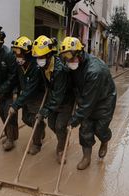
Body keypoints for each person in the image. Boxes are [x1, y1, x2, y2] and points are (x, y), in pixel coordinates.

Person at [59, 37, 117, 170]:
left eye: (70, 58)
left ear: (79, 54)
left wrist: (73, 120)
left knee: (100, 129)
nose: (68, 61)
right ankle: (86, 157)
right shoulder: (74, 64)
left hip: (104, 100)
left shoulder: (94, 71)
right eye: (65, 58)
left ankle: (105, 140)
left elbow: (88, 104)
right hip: (86, 97)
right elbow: (73, 84)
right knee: (85, 129)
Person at [32, 35, 75, 163]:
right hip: (53, 99)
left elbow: (58, 97)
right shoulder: (43, 67)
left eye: (41, 57)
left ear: (49, 55)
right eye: (37, 57)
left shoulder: (60, 70)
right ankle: (64, 139)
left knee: (60, 126)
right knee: (52, 124)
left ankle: (61, 149)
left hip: (65, 100)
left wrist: (43, 112)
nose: (39, 60)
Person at [5, 36, 46, 155]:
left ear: (27, 54)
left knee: (35, 119)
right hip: (26, 96)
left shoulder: (36, 67)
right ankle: (41, 127)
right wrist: (15, 92)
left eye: (20, 54)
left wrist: (16, 105)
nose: (18, 57)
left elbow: (30, 89)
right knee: (25, 119)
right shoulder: (19, 65)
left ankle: (37, 144)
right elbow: (16, 80)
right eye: (16, 54)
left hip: (37, 96)